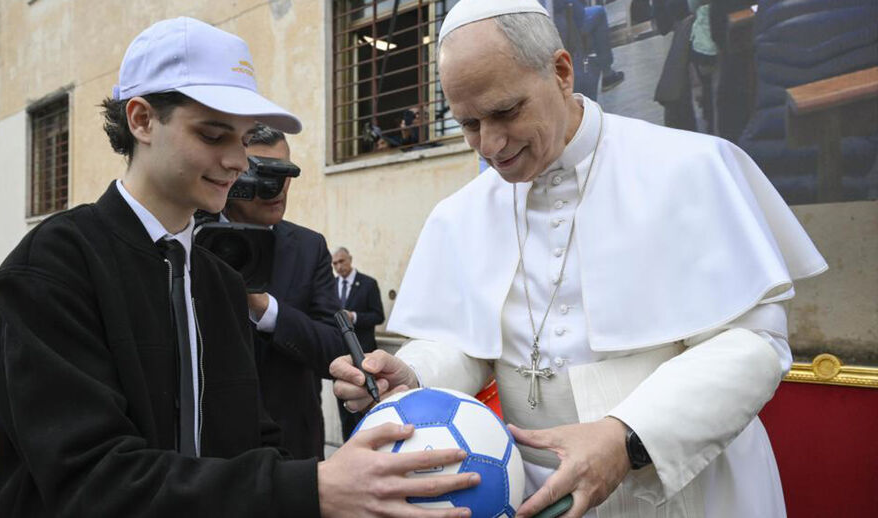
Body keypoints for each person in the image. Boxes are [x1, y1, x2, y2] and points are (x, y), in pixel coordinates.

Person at [331, 2, 827, 518]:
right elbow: (465, 345)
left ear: (561, 72)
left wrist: (626, 437)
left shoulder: (689, 167)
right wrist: (412, 374)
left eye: (505, 112)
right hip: (538, 494)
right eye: (469, 124)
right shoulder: (460, 215)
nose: (491, 146)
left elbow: (751, 344)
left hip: (683, 487)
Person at [0, 17, 478, 517]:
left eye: (242, 140)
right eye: (214, 135)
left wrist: (350, 479)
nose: (238, 161)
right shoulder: (54, 265)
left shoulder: (219, 280)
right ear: (141, 120)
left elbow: (251, 439)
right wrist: (311, 487)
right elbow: (91, 481)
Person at [222, 124, 346, 461]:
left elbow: (336, 349)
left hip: (294, 445)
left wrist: (266, 310)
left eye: (285, 172)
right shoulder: (190, 237)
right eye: (263, 173)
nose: (277, 187)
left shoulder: (309, 247)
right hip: (215, 449)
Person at [331, 247, 386, 439]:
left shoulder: (368, 284)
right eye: (335, 263)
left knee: (366, 409)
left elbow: (378, 316)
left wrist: (353, 316)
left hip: (365, 356)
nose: (339, 266)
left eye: (342, 261)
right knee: (345, 409)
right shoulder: (330, 285)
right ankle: (349, 446)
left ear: (350, 259)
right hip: (340, 357)